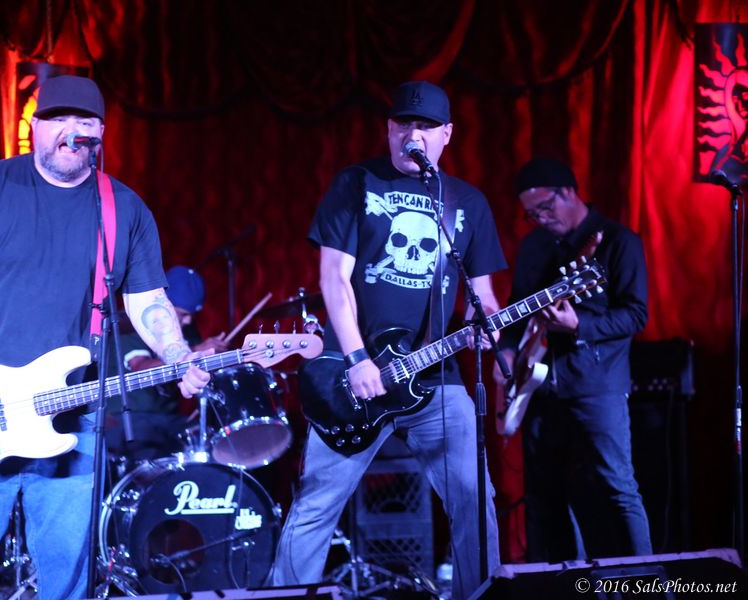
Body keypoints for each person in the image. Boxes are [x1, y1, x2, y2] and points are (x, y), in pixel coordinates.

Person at [0, 75, 210, 600]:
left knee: (67, 581)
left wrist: (179, 355)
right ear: (35, 126)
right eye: (57, 119)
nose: (70, 131)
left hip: (73, 417)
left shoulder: (123, 210)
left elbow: (146, 301)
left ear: (100, 132)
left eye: (84, 121)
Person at [269, 80, 505, 599]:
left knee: (474, 498)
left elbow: (482, 295)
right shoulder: (356, 183)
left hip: (434, 375)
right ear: (389, 128)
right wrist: (357, 358)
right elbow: (333, 277)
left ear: (447, 134)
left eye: (425, 127)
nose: (412, 135)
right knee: (316, 506)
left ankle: (482, 595)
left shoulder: (467, 202)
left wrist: (486, 321)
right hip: (353, 374)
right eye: (403, 125)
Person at [493, 157, 652, 563]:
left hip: (596, 384)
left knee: (617, 488)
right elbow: (517, 307)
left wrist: (579, 324)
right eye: (531, 214)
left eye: (545, 208)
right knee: (544, 496)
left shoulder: (618, 242)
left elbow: (636, 314)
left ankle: (642, 580)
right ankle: (563, 585)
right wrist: (507, 351)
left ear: (568, 192)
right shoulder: (534, 247)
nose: (540, 219)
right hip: (538, 388)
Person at [106, 265, 228, 463]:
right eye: (182, 314)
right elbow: (141, 368)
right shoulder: (132, 324)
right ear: (165, 307)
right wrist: (195, 350)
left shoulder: (188, 330)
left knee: (211, 446)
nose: (187, 322)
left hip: (168, 418)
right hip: (130, 416)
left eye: (191, 316)